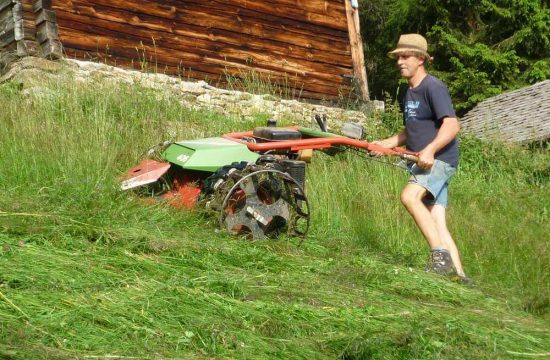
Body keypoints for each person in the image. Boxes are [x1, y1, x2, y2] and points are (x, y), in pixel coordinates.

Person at [372, 34, 471, 284]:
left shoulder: (433, 87)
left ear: (420, 59)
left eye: (405, 57)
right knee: (436, 219)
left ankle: (440, 259)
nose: (399, 62)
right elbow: (410, 130)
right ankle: (460, 278)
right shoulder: (409, 92)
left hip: (439, 160)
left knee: (409, 196)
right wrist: (384, 144)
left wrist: (429, 150)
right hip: (424, 160)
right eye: (398, 57)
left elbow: (451, 125)